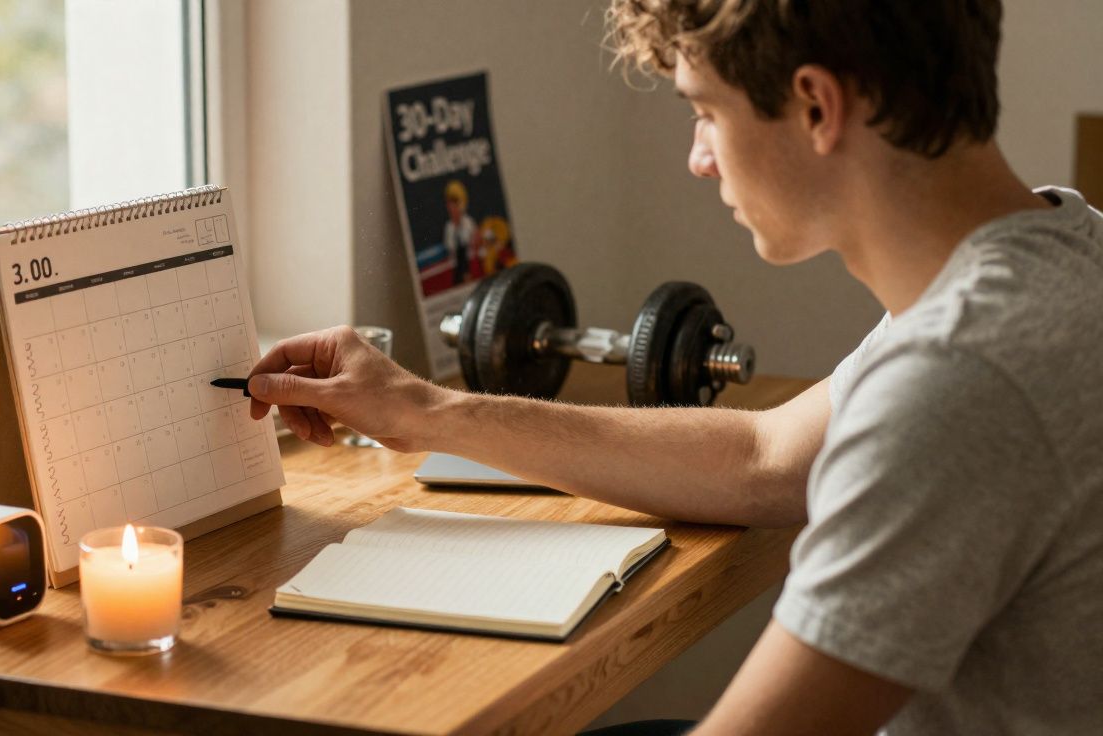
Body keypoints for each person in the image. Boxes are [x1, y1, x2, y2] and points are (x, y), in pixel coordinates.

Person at [245, 1, 1103, 733]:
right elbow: (766, 457)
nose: (698, 157)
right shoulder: (1061, 251)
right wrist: (424, 410)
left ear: (815, 105)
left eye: (705, 111)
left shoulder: (959, 382)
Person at [442, 179, 478, 285]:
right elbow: (450, 248)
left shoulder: (468, 222)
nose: (452, 208)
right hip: (457, 267)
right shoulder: (448, 227)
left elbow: (474, 243)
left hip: (470, 264)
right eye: (449, 205)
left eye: (454, 204)